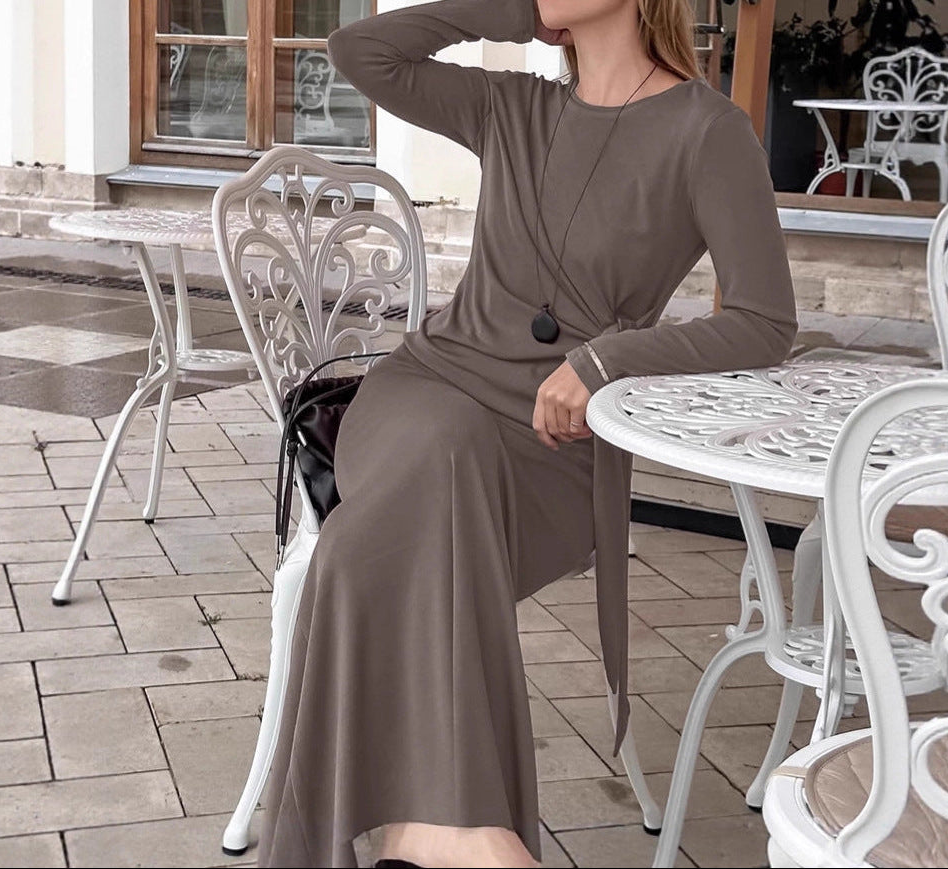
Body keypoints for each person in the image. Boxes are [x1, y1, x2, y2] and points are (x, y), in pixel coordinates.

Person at [257, 1, 798, 867]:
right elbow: (359, 49)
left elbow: (766, 322)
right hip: (426, 389)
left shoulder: (708, 133)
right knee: (441, 457)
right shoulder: (512, 105)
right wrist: (516, 14)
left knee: (362, 548)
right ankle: (457, 831)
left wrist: (607, 360)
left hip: (550, 443)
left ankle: (401, 831)